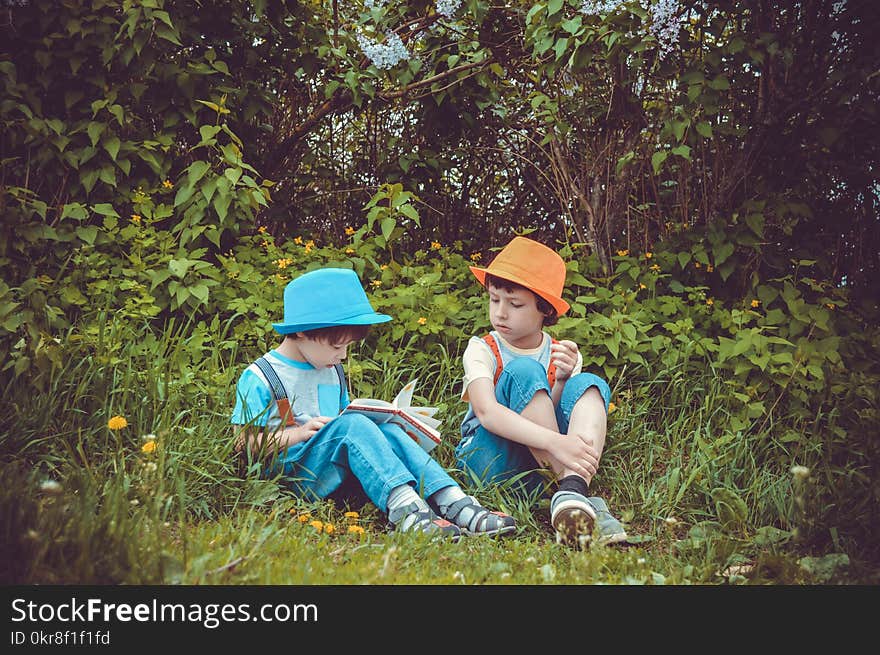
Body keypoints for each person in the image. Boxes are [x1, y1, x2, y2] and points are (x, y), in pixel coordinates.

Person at [231, 267, 516, 540]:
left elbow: (345, 421)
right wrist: (296, 434)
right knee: (352, 425)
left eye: (347, 348)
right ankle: (406, 510)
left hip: (336, 472)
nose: (342, 356)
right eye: (336, 347)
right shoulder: (262, 376)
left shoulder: (331, 370)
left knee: (388, 430)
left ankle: (454, 501)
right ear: (302, 332)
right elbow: (242, 443)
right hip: (293, 476)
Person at [455, 236, 628, 547]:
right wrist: (557, 443)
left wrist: (562, 380)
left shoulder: (559, 352)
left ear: (545, 310)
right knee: (524, 372)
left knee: (589, 383)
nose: (500, 313)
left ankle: (569, 494)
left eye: (515, 304)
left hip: (539, 468)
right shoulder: (482, 348)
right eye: (494, 300)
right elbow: (486, 412)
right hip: (491, 459)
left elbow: (554, 414)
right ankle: (577, 494)